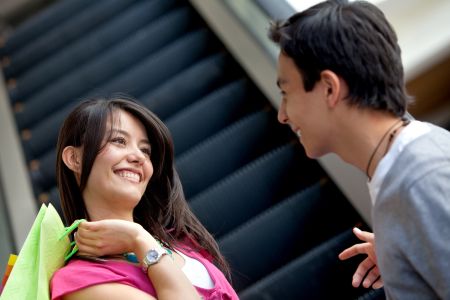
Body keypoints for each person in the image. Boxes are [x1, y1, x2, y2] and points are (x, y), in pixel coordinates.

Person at [268, 0, 450, 299]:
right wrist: (403, 251)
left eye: (286, 93)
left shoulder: (424, 183)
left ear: (329, 88)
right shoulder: (408, 171)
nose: (282, 115)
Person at [50, 96, 239, 300]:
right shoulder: (81, 280)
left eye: (145, 150)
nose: (138, 157)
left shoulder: (180, 243)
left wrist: (143, 240)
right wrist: (138, 240)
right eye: (119, 141)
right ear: (74, 159)